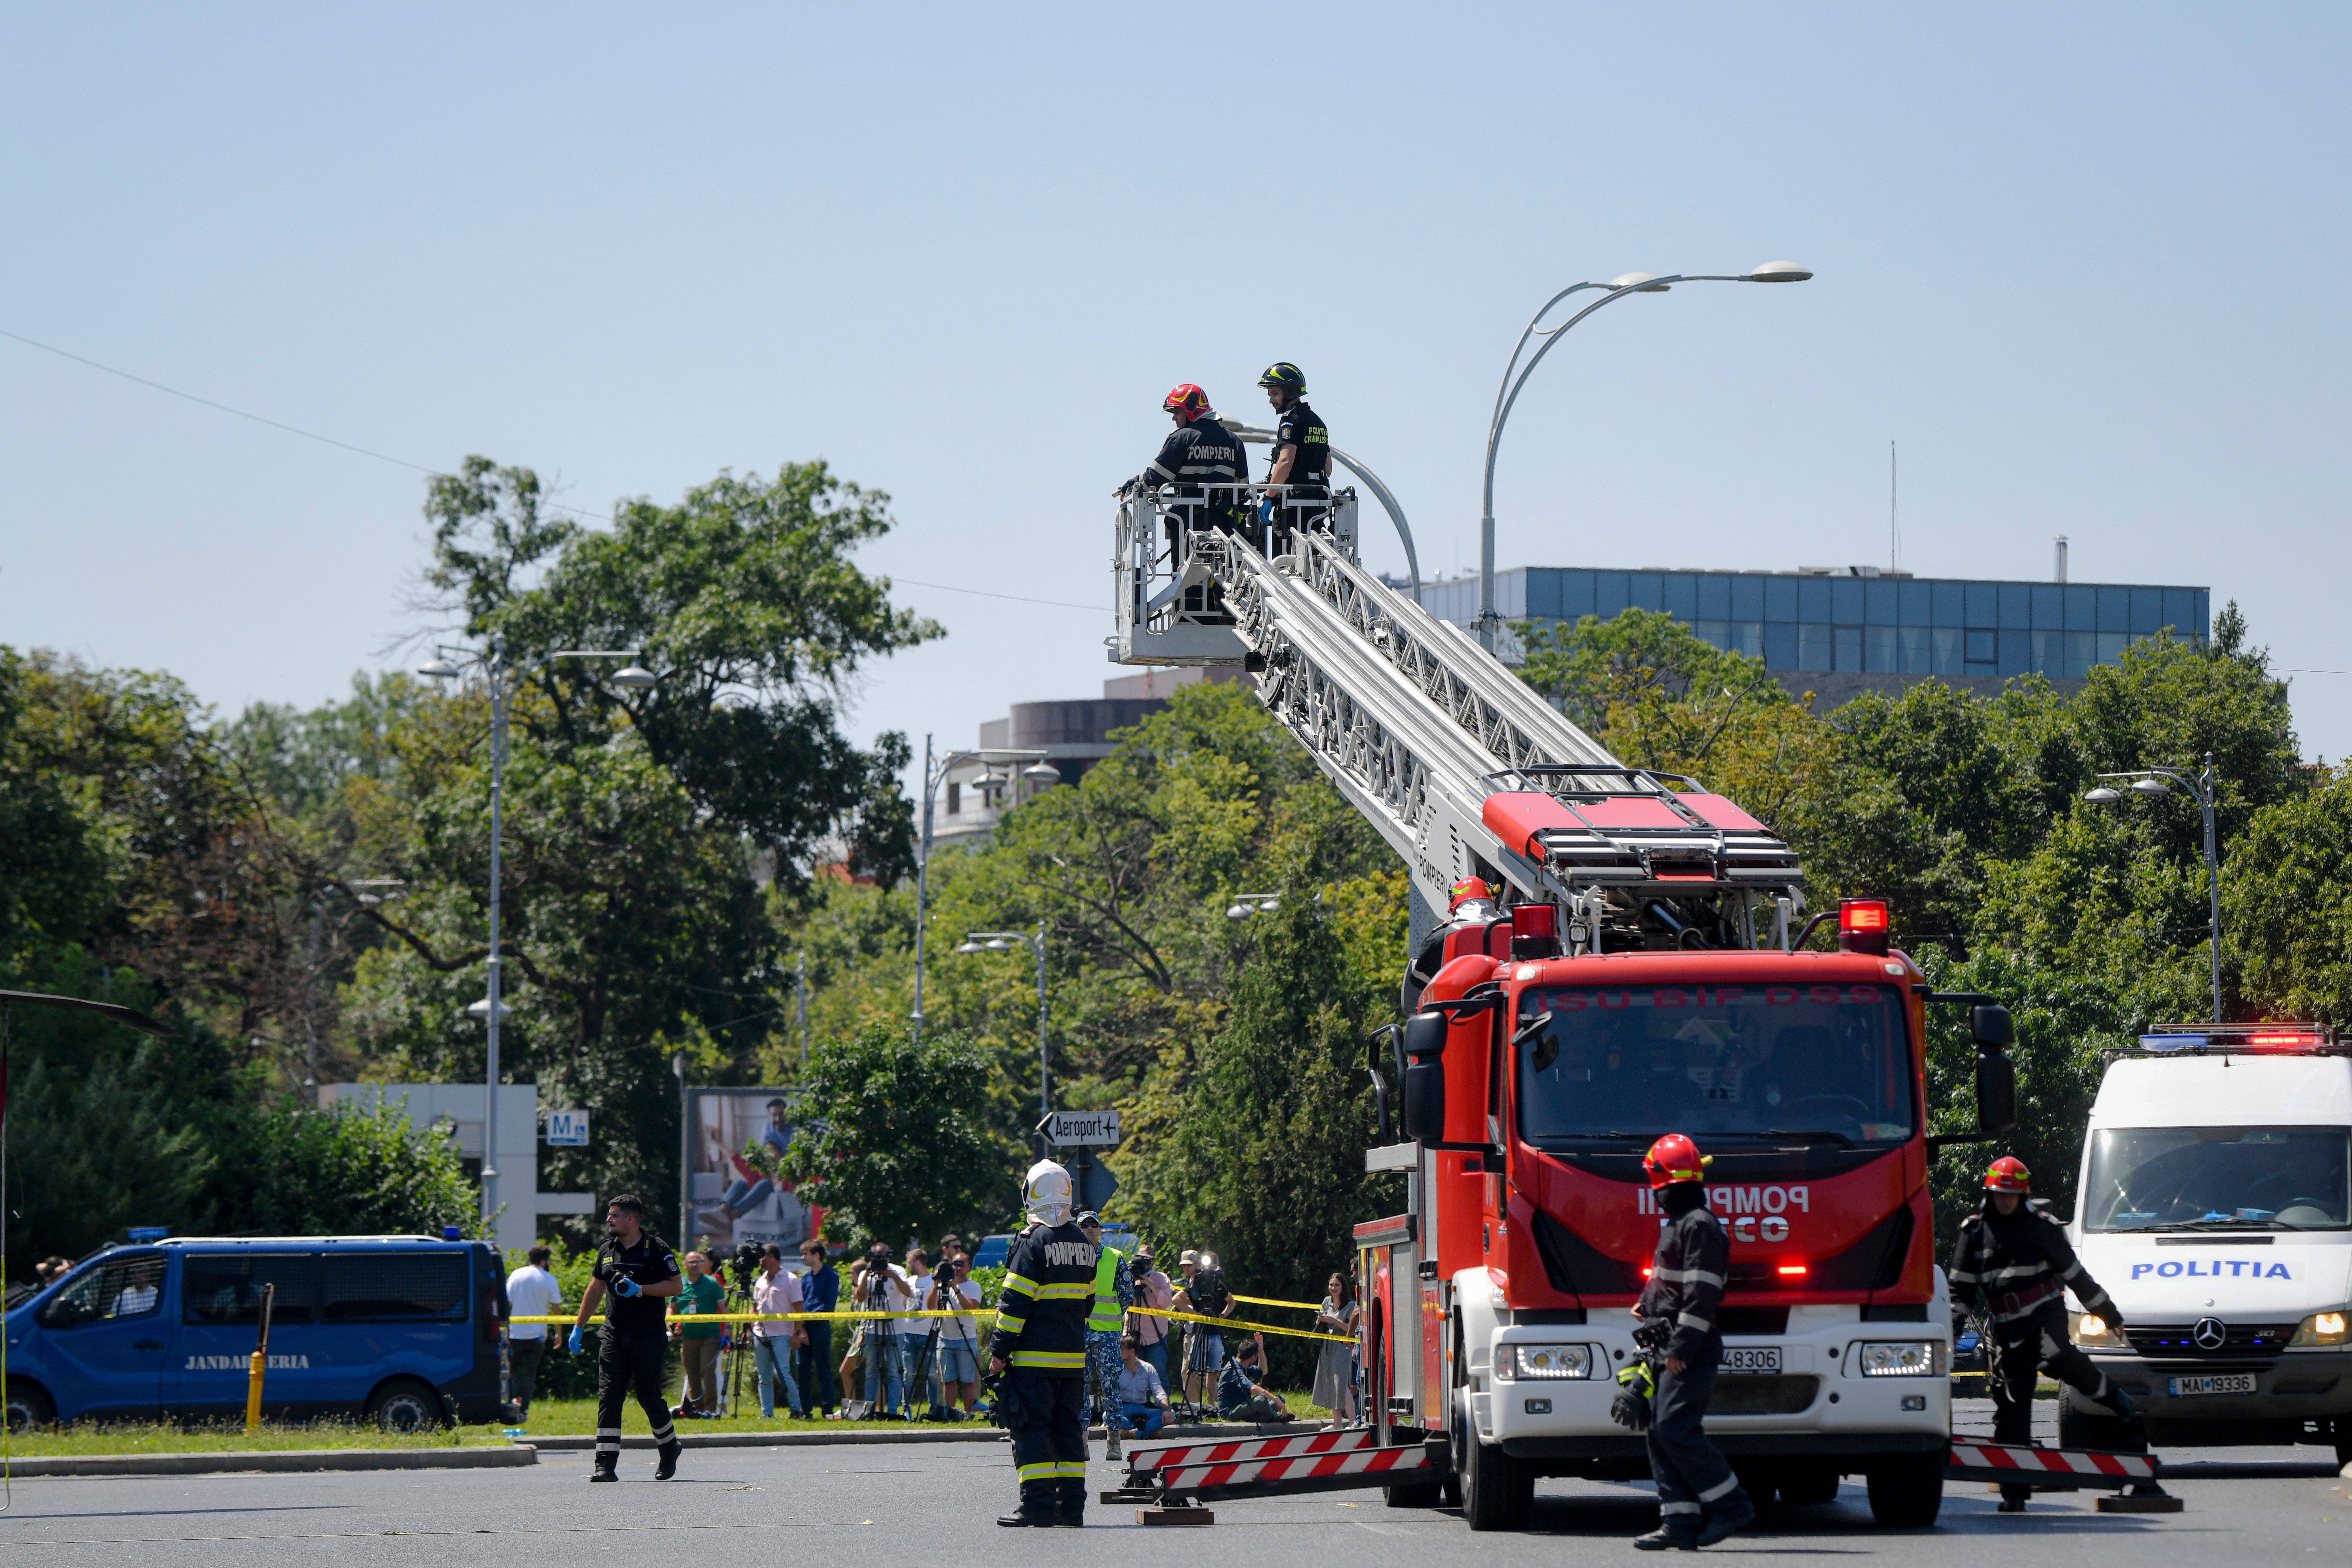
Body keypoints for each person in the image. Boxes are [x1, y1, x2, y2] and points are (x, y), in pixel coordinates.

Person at [1950, 1155, 2137, 1512]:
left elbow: (2077, 1276)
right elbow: (1961, 1293)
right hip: (2007, 1328)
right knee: (2011, 1409)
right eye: (1999, 1194)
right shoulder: (1973, 1232)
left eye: (2013, 1194)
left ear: (2024, 1195)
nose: (2006, 1200)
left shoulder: (2044, 1227)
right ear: (1989, 1193)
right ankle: (2014, 1493)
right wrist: (1950, 1335)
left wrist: (2109, 1314)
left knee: (2056, 1357)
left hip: (2044, 1315)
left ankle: (2119, 1401)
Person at [1631, 1135, 1752, 1550]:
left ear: (1668, 1182)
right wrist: (1645, 1305)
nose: (1657, 1195)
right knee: (1658, 1428)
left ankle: (1731, 1504)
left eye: (1658, 1184)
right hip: (1669, 1343)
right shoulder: (1682, 1224)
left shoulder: (1699, 1225)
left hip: (1689, 1348)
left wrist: (1682, 1349)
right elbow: (1672, 1283)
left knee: (1675, 1427)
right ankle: (1679, 1521)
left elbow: (1703, 1293)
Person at [989, 1158, 1097, 1528]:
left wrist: (999, 1352)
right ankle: (1071, 1508)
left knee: (1032, 1429)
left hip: (1035, 1362)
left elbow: (1014, 1304)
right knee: (1068, 1431)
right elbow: (1088, 1303)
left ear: (1031, 1193)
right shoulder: (1084, 1243)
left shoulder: (1032, 1242)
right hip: (1072, 1361)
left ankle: (1036, 1506)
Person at [572, 1194, 685, 1482]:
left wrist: (641, 1290)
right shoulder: (607, 1249)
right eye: (609, 1215)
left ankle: (669, 1447)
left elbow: (676, 1286)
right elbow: (596, 1289)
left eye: (614, 1215)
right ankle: (605, 1465)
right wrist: (578, 1326)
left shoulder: (656, 1249)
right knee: (610, 1397)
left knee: (649, 1396)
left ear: (631, 1219)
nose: (609, 1219)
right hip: (614, 1336)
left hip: (648, 1336)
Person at [1254, 361, 1330, 554]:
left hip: (1294, 505)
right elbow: (1328, 468)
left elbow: (1286, 461)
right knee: (1313, 564)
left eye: (1275, 394)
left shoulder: (1290, 420)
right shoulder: (1318, 421)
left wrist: (1269, 498)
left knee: (1286, 565)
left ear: (1289, 392)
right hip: (1319, 502)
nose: (1271, 400)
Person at [1075, 1212, 1133, 1459]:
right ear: (1077, 1230)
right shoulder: (1071, 1257)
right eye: (1084, 1225)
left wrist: (1111, 1316)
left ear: (1100, 1230)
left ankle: (1114, 1442)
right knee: (1079, 1389)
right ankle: (1082, 1443)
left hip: (1107, 1335)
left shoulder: (1114, 1257)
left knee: (1111, 1388)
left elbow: (1126, 1295)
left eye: (1093, 1225)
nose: (1089, 1229)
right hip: (1078, 1332)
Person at [853, 1242, 917, 1418]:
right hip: (873, 1328)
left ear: (889, 1256)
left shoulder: (898, 1271)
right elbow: (860, 1298)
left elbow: (907, 1292)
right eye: (877, 1257)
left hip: (896, 1329)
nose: (881, 1261)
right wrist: (867, 1274)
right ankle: (869, 1411)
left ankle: (893, 1411)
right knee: (871, 1372)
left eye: (883, 1257)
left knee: (895, 1372)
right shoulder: (866, 1273)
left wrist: (892, 1276)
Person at [506, 1244, 565, 1419]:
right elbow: (557, 1310)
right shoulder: (549, 1279)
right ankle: (525, 1409)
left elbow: (507, 1303)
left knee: (513, 1371)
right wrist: (559, 1333)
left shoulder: (516, 1275)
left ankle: (512, 1403)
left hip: (515, 1333)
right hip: (538, 1335)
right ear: (543, 1261)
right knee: (530, 1373)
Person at [750, 1243, 806, 1420]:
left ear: (772, 1258)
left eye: (762, 1257)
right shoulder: (760, 1281)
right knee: (764, 1376)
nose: (760, 1261)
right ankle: (767, 1413)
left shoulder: (791, 1280)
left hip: (782, 1334)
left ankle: (797, 1410)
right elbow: (755, 1307)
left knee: (782, 1373)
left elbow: (799, 1308)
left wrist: (797, 1334)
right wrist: (751, 1327)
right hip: (760, 1334)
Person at [668, 1250, 726, 1418]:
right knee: (692, 1372)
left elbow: (723, 1307)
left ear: (703, 1264)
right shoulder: (680, 1285)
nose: (696, 1265)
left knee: (707, 1369)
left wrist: (728, 1328)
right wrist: (670, 1322)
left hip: (711, 1335)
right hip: (689, 1335)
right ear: (685, 1265)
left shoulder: (712, 1283)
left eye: (699, 1261)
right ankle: (697, 1408)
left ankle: (710, 1409)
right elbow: (672, 1307)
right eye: (692, 1262)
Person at [1176, 1248, 1233, 1406]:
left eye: (1189, 1265)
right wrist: (1195, 1314)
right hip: (1198, 1331)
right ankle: (1189, 1406)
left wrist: (1223, 1316)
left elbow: (1232, 1301)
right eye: (1184, 1266)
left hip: (1215, 1331)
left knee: (1213, 1372)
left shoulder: (1216, 1283)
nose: (1186, 1269)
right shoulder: (1196, 1281)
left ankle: (1211, 1407)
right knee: (1192, 1371)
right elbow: (1178, 1299)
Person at [929, 1251, 984, 1414]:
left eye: (961, 1264)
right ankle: (951, 1413)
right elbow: (931, 1306)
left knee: (968, 1381)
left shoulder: (974, 1286)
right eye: (955, 1264)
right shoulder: (942, 1287)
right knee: (949, 1381)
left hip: (965, 1339)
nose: (957, 1268)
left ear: (968, 1267)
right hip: (945, 1339)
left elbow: (971, 1307)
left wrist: (956, 1289)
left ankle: (968, 1414)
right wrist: (936, 1285)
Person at [796, 1239, 839, 1417]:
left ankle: (827, 1410)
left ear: (817, 1255)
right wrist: (800, 1328)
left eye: (806, 1254)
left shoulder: (831, 1276)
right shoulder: (805, 1278)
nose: (803, 1257)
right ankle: (806, 1411)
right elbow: (799, 1304)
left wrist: (809, 1315)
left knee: (823, 1369)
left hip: (820, 1327)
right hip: (805, 1328)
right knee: (802, 1370)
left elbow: (828, 1305)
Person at [1312, 1271, 1359, 1427]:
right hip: (1328, 1345)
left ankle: (1353, 1421)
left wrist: (1335, 1320)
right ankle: (1337, 1423)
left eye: (1337, 1285)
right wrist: (1321, 1319)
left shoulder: (1351, 1306)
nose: (1333, 1288)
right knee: (1331, 1382)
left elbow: (1351, 1328)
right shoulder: (1327, 1301)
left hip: (1342, 1346)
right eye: (1331, 1285)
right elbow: (1323, 1321)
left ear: (1343, 1287)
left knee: (1341, 1383)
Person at [1127, 1245, 1174, 1391]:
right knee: (1137, 1374)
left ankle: (1165, 1410)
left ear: (1153, 1261)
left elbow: (1166, 1303)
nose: (1144, 1263)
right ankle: (1143, 1407)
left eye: (1147, 1260)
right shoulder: (1130, 1276)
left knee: (1159, 1373)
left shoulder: (1161, 1279)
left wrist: (1151, 1285)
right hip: (1134, 1334)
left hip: (1156, 1336)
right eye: (1140, 1259)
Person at [1216, 1335, 1291, 1424]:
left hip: (1245, 1407)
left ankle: (1264, 1417)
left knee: (1281, 1399)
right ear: (1252, 1358)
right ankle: (1276, 1418)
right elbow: (1253, 1389)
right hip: (1230, 1412)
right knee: (1261, 1400)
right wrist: (1275, 1399)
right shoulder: (1234, 1369)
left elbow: (1263, 1371)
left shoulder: (1244, 1366)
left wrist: (1261, 1350)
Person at [1115, 1333, 1171, 1439]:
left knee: (1171, 1414)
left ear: (1132, 1352)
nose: (1117, 1352)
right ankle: (1145, 1431)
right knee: (1108, 1416)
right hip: (1123, 1409)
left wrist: (1166, 1409)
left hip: (1142, 1408)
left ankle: (1132, 1433)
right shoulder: (1116, 1369)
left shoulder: (1148, 1369)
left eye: (1121, 1350)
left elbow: (1158, 1392)